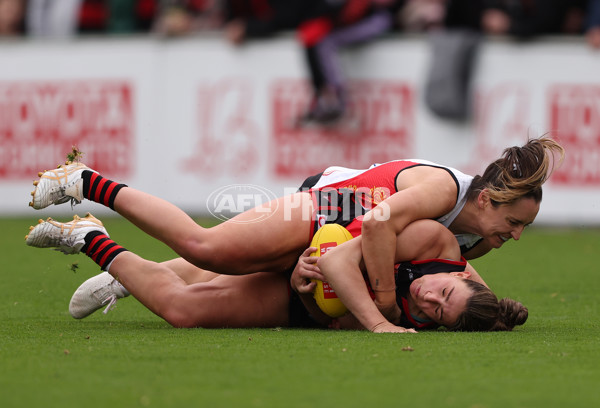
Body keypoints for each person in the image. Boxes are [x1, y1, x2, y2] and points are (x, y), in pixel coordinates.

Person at [26, 136, 562, 330]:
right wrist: (380, 311)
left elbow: (436, 276)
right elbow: (375, 224)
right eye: (514, 223)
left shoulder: (473, 240)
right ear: (488, 198)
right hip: (324, 208)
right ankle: (83, 181)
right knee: (207, 249)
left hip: (329, 244)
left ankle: (97, 245)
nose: (515, 236)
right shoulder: (445, 191)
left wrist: (498, 312)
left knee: (194, 301)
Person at [26, 212, 527, 332]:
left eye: (434, 313)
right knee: (204, 254)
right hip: (314, 232)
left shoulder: (422, 320)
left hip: (300, 294)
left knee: (185, 309)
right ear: (461, 274)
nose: (427, 300)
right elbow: (366, 231)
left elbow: (332, 318)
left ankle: (87, 237)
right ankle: (96, 198)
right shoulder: (438, 245)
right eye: (440, 292)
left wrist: (303, 288)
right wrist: (380, 315)